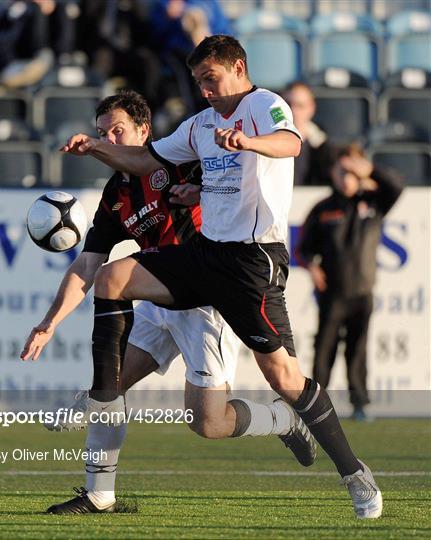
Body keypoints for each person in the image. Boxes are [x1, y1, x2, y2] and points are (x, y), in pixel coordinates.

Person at [60, 35, 384, 519]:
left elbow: (290, 143)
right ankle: (104, 398)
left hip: (252, 263)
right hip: (206, 254)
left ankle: (355, 473)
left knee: (284, 378)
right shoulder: (201, 123)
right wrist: (97, 151)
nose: (205, 90)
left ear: (237, 66)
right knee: (111, 278)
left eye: (210, 79)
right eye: (198, 83)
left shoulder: (263, 106)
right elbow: (147, 159)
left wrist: (249, 142)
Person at [21, 90, 316, 514]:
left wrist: (199, 190)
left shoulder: (183, 159)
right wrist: (49, 324)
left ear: (144, 131)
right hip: (158, 300)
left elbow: (237, 180)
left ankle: (282, 419)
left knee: (208, 424)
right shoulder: (114, 198)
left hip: (205, 300)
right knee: (108, 387)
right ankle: (99, 494)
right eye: (103, 133)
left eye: (118, 131)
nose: (109, 140)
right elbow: (87, 267)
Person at [295, 144, 404, 421]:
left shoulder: (374, 201)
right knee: (324, 349)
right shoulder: (322, 209)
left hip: (362, 290)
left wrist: (370, 170)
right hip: (332, 292)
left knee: (358, 349)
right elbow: (303, 249)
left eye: (351, 172)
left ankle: (360, 403)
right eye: (342, 171)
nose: (346, 178)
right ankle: (316, 405)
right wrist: (312, 268)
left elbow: (396, 186)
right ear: (332, 172)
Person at [284, 81, 332, 186]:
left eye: (300, 105)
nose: (293, 110)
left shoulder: (322, 145)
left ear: (311, 108)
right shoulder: (266, 138)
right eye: (287, 104)